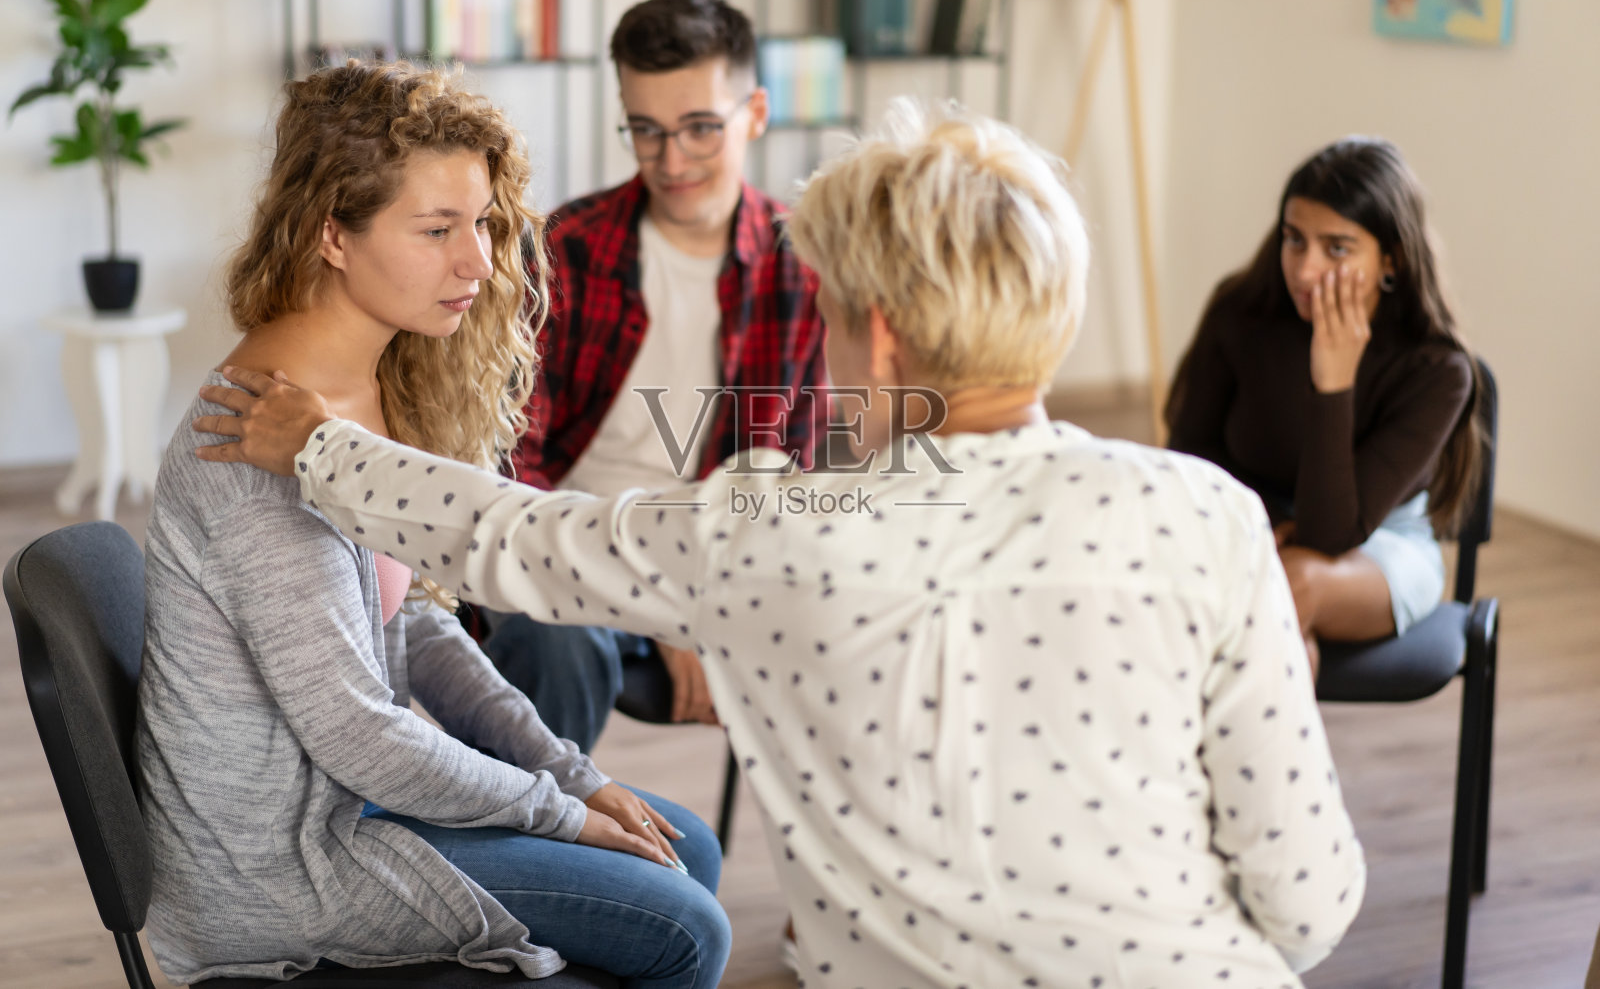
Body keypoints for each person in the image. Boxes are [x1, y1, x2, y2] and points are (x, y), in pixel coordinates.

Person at [195, 100, 1367, 988]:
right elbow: (1313, 904)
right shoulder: (1205, 511)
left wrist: (316, 446)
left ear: (883, 335)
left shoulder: (768, 529)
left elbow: (513, 539)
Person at [136, 61, 729, 988]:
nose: (480, 263)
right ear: (333, 233)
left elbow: (411, 616)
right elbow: (363, 736)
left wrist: (567, 770)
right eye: (438, 229)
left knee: (686, 845)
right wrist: (562, 810)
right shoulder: (255, 447)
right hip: (290, 864)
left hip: (353, 803)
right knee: (687, 928)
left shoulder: (360, 396)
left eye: (484, 222)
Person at [481, 0, 829, 755]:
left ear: (757, 113)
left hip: (716, 568)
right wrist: (653, 600)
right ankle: (541, 844)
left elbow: (789, 483)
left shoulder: (800, 266)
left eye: (701, 128)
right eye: (647, 130)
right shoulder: (568, 247)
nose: (673, 160)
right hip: (566, 557)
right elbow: (513, 463)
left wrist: (697, 602)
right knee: (553, 642)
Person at [1165, 136, 1484, 675]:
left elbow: (1331, 533)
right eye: (1294, 240)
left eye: (1336, 248)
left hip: (1381, 546)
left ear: (1392, 259)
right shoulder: (1239, 313)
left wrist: (1332, 382)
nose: (1306, 270)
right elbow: (1191, 458)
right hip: (1250, 526)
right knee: (1274, 622)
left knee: (1289, 586)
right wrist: (1262, 522)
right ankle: (1273, 759)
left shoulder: (1438, 370)